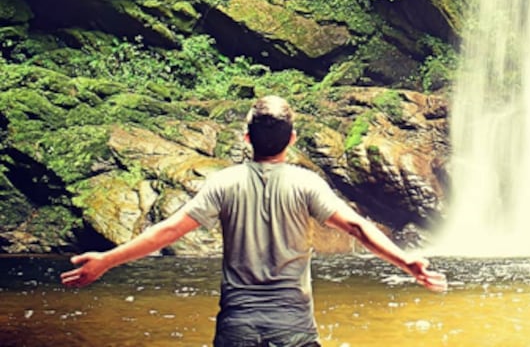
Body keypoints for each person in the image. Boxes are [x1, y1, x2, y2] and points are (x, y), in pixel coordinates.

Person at [61, 95, 446, 347]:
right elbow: (358, 228)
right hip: (293, 328)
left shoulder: (224, 183)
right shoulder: (306, 183)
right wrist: (408, 263)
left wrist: (107, 260)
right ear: (292, 139)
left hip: (237, 328)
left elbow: (167, 232)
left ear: (246, 138)